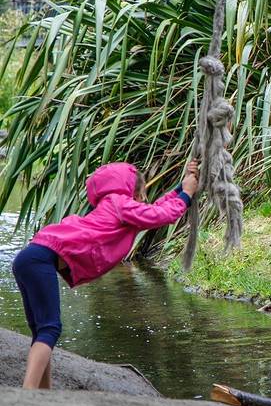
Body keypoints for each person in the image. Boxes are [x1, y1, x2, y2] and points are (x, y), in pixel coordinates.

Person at [12, 160, 199, 390]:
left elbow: (155, 208)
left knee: (42, 331)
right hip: (40, 259)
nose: (143, 199)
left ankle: (43, 392)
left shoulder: (113, 205)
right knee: (50, 329)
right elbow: (161, 214)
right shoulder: (121, 204)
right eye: (142, 193)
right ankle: (29, 391)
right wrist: (186, 195)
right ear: (132, 190)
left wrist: (181, 187)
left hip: (28, 258)